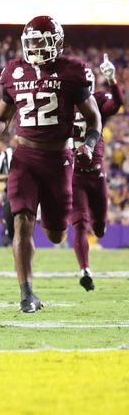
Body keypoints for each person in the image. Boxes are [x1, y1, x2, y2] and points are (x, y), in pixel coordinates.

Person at [0, 15, 102, 313]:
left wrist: (89, 145)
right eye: (31, 43)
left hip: (59, 160)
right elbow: (2, 118)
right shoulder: (13, 71)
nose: (36, 49)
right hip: (25, 157)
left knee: (56, 234)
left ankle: (50, 219)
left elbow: (94, 118)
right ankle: (27, 294)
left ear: (56, 42)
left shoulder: (73, 71)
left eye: (42, 43)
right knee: (21, 222)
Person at [70, 54, 124, 292]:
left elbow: (116, 104)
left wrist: (112, 79)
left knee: (100, 227)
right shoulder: (61, 105)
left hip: (96, 173)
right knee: (80, 223)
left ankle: (86, 264)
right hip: (75, 175)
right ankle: (84, 269)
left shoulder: (99, 100)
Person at [0, 145, 14, 246]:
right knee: (9, 219)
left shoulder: (31, 149)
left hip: (27, 192)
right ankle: (9, 238)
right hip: (10, 191)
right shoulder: (5, 154)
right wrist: (9, 176)